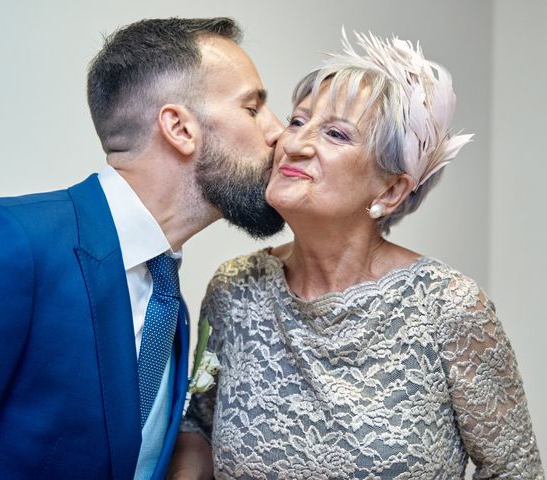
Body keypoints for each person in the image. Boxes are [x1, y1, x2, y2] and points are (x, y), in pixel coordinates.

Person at [0, 17, 285, 479]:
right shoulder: (2, 244)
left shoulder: (173, 304)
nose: (279, 132)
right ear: (179, 128)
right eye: (253, 108)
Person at [171, 32, 544, 479]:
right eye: (297, 121)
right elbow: (199, 428)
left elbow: (514, 470)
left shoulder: (449, 307)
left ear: (390, 190)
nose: (294, 144)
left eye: (335, 133)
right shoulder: (235, 289)